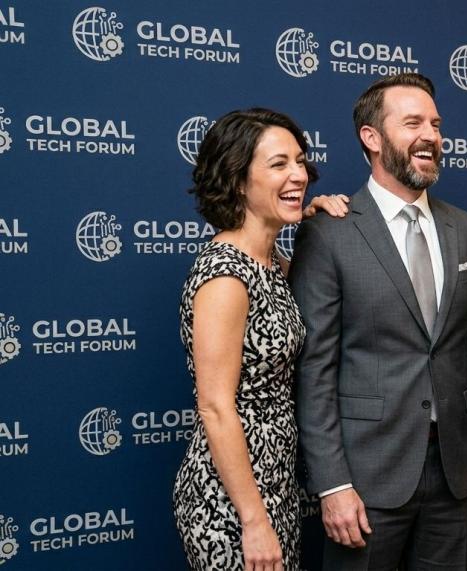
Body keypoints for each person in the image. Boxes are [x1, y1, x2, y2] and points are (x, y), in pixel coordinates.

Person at [289, 73, 467, 570]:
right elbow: (315, 370)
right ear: (371, 138)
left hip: (458, 475)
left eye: (436, 124)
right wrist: (332, 482)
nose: (431, 136)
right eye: (413, 122)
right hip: (367, 477)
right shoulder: (329, 232)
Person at [173, 108, 320, 570]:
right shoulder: (225, 275)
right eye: (279, 165)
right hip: (230, 501)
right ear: (239, 180)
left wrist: (320, 226)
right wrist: (254, 519)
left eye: (300, 161)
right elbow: (216, 406)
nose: (298, 174)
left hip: (276, 486)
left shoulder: (273, 262)